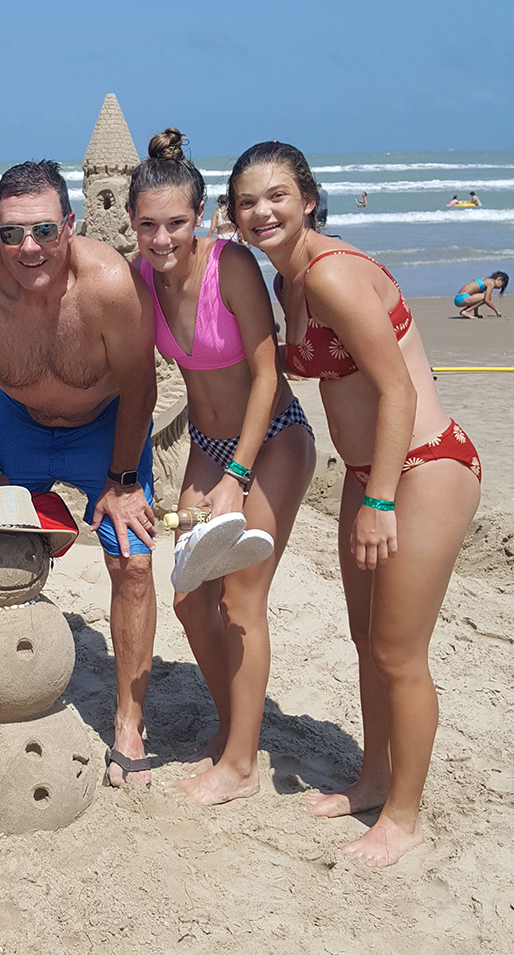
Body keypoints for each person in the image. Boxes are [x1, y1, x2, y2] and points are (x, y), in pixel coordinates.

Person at [228, 141, 482, 866]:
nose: (261, 211)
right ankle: (374, 778)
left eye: (276, 195)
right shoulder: (289, 283)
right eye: (247, 201)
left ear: (308, 198)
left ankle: (405, 815)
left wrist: (380, 498)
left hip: (424, 467)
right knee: (367, 640)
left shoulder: (333, 275)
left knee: (401, 653)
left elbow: (399, 389)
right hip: (371, 470)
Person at [0, 159, 158, 787]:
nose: (28, 248)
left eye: (43, 231)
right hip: (20, 427)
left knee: (135, 562)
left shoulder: (110, 285)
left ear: (71, 223)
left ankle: (128, 722)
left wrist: (122, 482)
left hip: (107, 430)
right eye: (11, 234)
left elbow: (141, 387)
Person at [127, 129, 315, 805]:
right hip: (207, 451)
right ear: (132, 224)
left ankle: (239, 763)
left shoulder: (230, 265)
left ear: (202, 217)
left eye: (176, 223)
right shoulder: (140, 274)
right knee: (186, 595)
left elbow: (267, 375)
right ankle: (238, 724)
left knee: (240, 598)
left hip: (272, 443)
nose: (162, 238)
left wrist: (238, 474)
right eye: (148, 225)